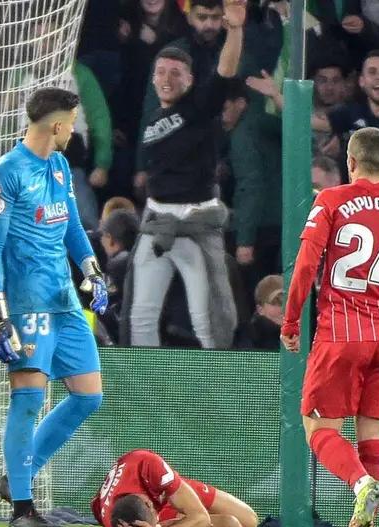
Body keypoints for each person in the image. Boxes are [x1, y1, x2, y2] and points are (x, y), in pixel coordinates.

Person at [281, 127, 379, 527]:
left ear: (350, 162)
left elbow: (306, 264)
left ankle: (361, 484)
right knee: (373, 437)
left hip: (342, 331)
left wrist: (291, 321)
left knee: (317, 427)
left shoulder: (331, 199)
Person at [0, 87, 109, 527]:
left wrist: (91, 271)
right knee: (29, 397)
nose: (74, 130)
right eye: (72, 122)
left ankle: (19, 475)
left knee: (89, 394)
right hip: (26, 300)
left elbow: (72, 224)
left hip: (63, 298)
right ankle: (22, 508)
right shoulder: (5, 174)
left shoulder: (58, 165)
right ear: (56, 124)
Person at [127, 0, 245, 348]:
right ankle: (141, 396)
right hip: (157, 222)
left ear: (191, 80)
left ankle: (221, 396)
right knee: (140, 317)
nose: (167, 79)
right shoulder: (151, 118)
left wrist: (235, 30)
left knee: (209, 322)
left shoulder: (200, 105)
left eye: (176, 73)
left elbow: (224, 72)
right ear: (152, 77)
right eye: (161, 72)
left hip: (196, 224)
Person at [91, 449, 258, 527]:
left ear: (150, 505)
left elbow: (202, 517)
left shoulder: (148, 464)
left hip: (167, 489)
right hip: (154, 509)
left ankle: (184, 525)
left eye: (156, 522)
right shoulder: (118, 525)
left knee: (250, 521)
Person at [235, 274, 282, 350]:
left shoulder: (302, 334)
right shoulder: (248, 336)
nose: (283, 309)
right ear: (260, 309)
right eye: (275, 303)